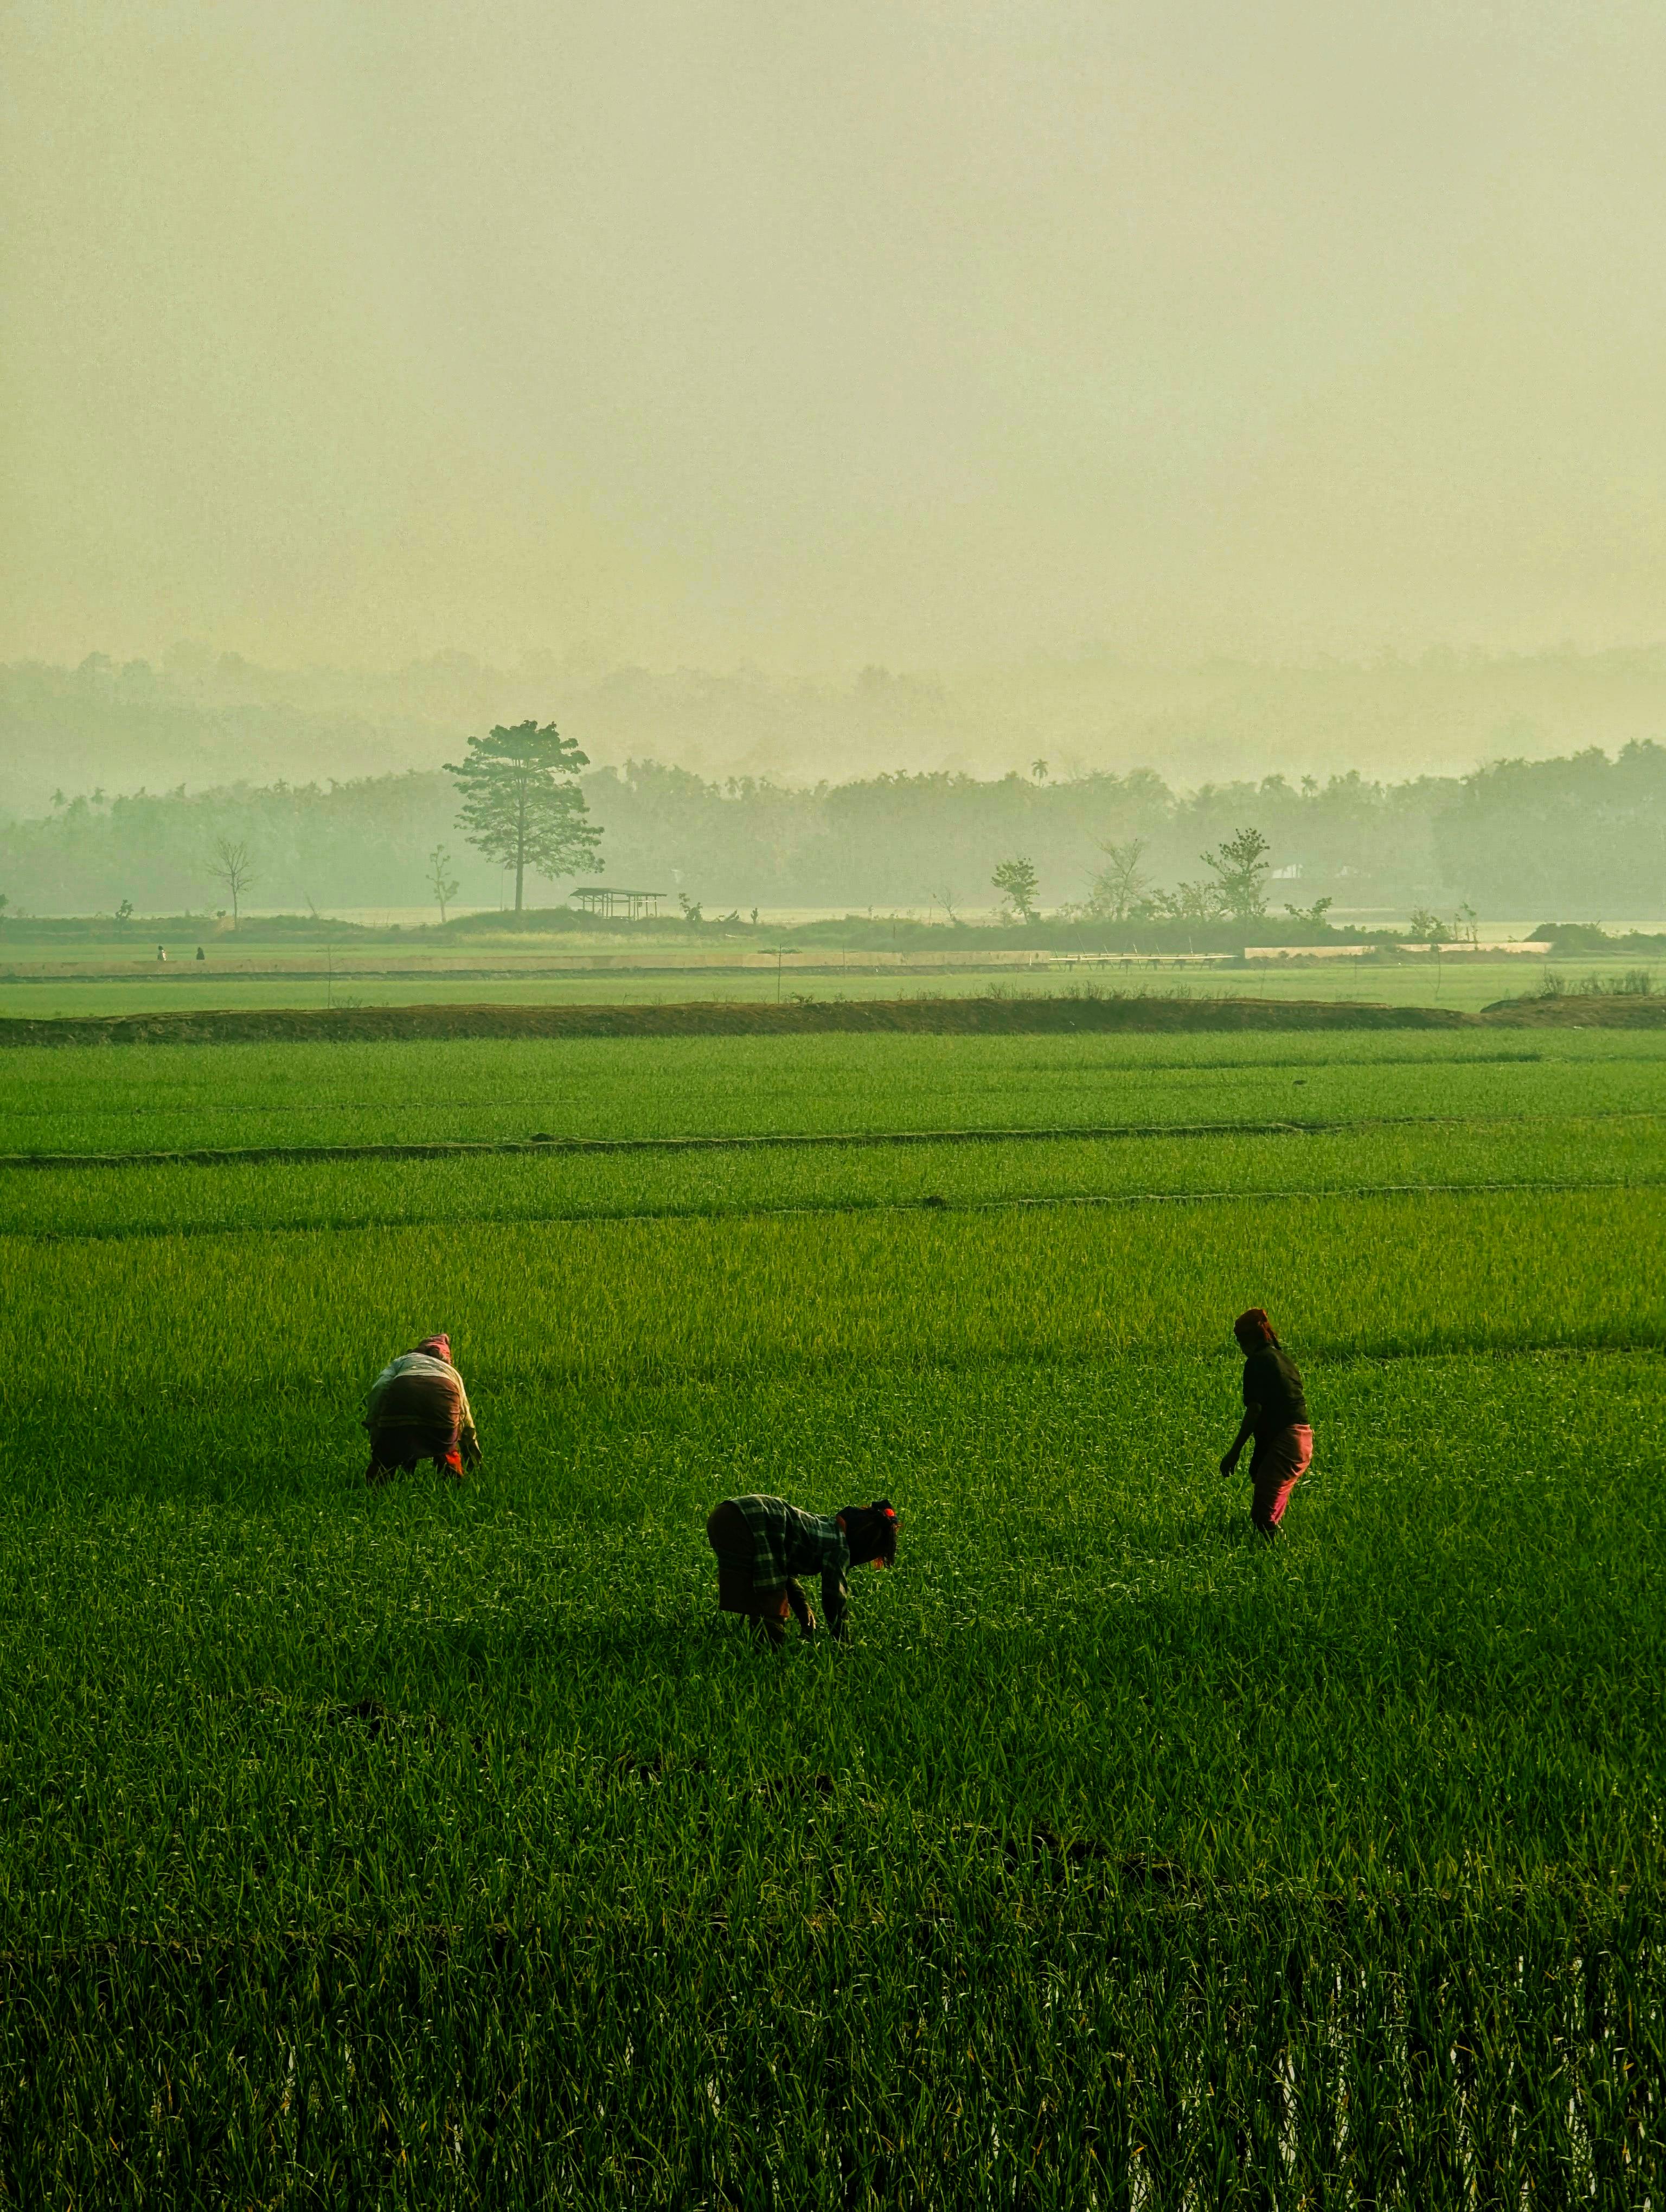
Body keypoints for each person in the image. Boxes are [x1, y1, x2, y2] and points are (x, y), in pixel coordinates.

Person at [706, 1494, 897, 1645]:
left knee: (765, 1586)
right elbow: (834, 1596)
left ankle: (757, 1649)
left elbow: (784, 1574)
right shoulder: (839, 1546)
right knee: (770, 1602)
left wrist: (803, 1610)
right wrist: (843, 1641)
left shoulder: (822, 1526)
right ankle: (766, 1655)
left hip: (725, 1514)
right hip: (750, 1520)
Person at [1220, 1308, 1312, 1538]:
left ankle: (1282, 1550)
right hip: (1302, 1440)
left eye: (1240, 1341)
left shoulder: (1257, 1362)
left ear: (1247, 1340)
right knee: (1268, 1507)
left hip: (1287, 1441)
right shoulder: (1283, 1359)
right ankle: (1273, 1548)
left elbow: (1255, 1410)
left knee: (1262, 1516)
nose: (1240, 1348)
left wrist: (1234, 1452)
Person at [363, 1333, 481, 1484]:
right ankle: (453, 1484)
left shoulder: (404, 1361)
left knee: (388, 1450)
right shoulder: (449, 1370)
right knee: (446, 1448)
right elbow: (465, 1415)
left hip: (402, 1398)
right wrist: (473, 1455)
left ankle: (377, 1489)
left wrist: (375, 1423)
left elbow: (381, 1387)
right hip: (443, 1403)